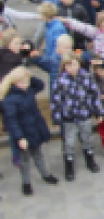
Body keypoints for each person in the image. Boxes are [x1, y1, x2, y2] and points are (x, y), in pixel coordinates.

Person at [1, 67, 60, 196]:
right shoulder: (9, 100)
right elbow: (12, 122)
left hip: (35, 129)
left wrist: (30, 76)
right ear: (14, 83)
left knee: (39, 155)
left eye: (26, 82)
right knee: (24, 160)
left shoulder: (29, 90)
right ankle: (26, 182)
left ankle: (46, 175)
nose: (25, 85)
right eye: (21, 82)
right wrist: (20, 138)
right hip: (23, 134)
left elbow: (40, 85)